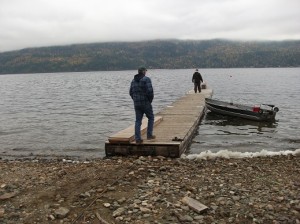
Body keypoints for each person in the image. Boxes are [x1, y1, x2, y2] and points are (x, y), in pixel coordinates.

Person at [129, 67, 155, 144]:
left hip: (137, 104)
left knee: (138, 121)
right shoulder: (146, 79)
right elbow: (150, 92)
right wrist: (149, 101)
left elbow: (130, 92)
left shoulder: (133, 81)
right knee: (151, 117)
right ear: (143, 72)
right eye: (145, 71)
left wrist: (135, 100)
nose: (146, 72)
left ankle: (138, 139)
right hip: (145, 102)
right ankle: (149, 135)